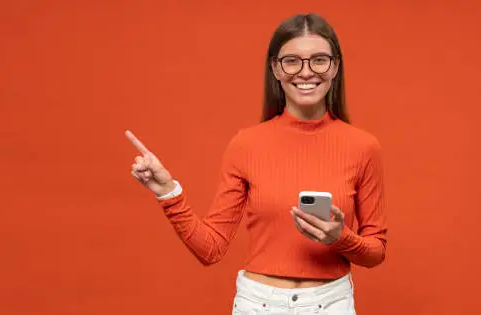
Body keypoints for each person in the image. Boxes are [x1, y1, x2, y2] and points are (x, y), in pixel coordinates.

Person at [125, 13, 387, 315]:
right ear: (275, 68)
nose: (305, 72)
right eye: (292, 61)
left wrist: (340, 238)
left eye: (319, 60)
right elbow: (211, 249)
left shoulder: (363, 147)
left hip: (331, 304)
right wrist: (167, 192)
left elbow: (376, 252)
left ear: (336, 67)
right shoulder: (246, 144)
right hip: (258, 304)